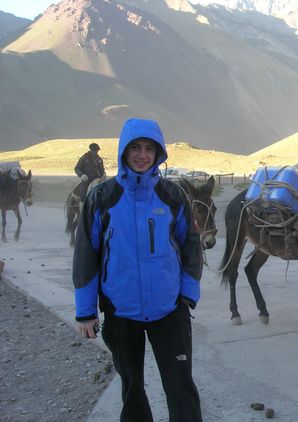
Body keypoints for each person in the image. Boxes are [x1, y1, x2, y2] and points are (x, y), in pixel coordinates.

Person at [72, 118, 203, 422]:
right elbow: (86, 253)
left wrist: (187, 295)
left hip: (169, 308)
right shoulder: (102, 197)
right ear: (123, 151)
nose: (142, 155)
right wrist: (85, 311)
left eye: (149, 149)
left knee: (181, 386)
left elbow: (191, 244)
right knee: (132, 389)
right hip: (120, 310)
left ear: (158, 153)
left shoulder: (172, 195)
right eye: (135, 148)